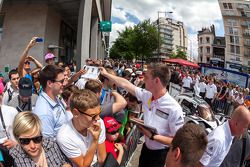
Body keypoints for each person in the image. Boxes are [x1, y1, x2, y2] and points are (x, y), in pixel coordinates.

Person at [100, 63, 184, 167]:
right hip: (146, 150)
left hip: (161, 155)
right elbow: (126, 84)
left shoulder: (174, 108)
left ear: (156, 81)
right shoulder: (147, 96)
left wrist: (153, 136)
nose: (144, 80)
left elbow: (178, 141)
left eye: (147, 77)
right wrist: (106, 74)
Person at [57, 89, 106, 167]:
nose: (98, 118)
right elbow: (83, 165)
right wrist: (95, 140)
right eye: (93, 116)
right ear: (76, 113)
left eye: (99, 113)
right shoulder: (64, 136)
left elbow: (102, 159)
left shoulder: (98, 122)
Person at [33, 65, 67, 138]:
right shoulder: (44, 113)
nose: (64, 84)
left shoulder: (56, 96)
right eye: (61, 81)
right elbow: (48, 144)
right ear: (49, 83)